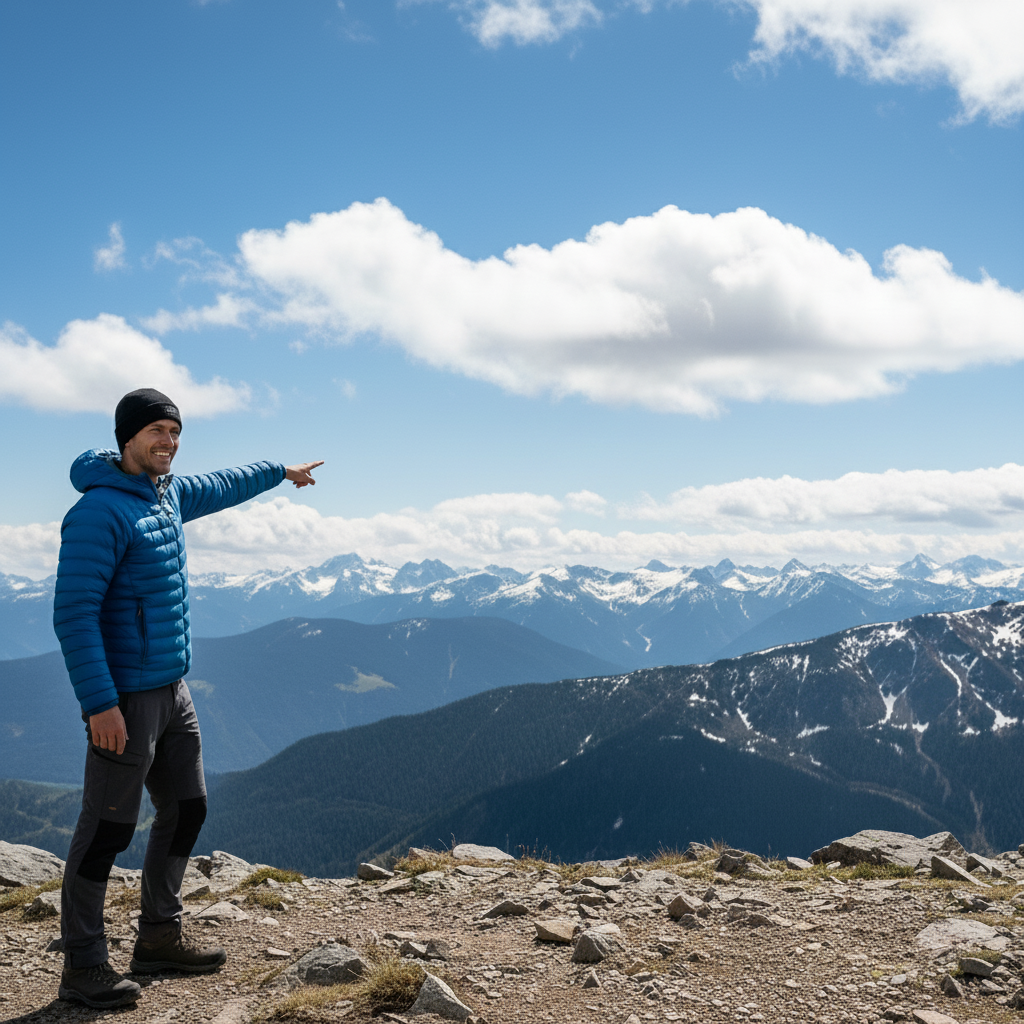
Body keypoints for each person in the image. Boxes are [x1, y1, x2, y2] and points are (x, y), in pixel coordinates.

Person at [53, 387, 323, 1009]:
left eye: (176, 432)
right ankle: (84, 965)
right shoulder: (100, 511)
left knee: (189, 807)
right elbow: (74, 614)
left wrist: (279, 473)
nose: (169, 442)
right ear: (127, 437)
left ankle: (157, 937)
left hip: (173, 688)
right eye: (157, 431)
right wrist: (100, 703)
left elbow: (222, 483)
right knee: (106, 832)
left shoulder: (165, 494)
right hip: (124, 695)